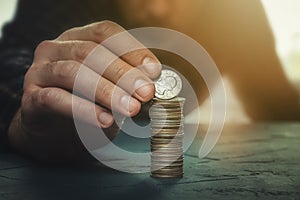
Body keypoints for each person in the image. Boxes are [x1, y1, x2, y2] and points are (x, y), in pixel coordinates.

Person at [0, 0, 299, 162]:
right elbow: (14, 59)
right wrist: (22, 114)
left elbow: (274, 98)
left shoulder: (237, 12)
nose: (158, 8)